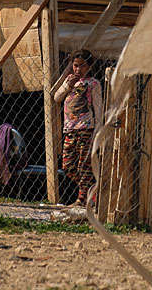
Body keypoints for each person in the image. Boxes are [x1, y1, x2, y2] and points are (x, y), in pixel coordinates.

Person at [54, 49, 103, 206]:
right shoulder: (69, 80)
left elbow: (98, 108)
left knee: (84, 165)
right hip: (70, 129)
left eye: (82, 66)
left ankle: (82, 200)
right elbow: (57, 97)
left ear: (89, 66)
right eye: (75, 66)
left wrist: (98, 131)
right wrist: (68, 85)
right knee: (67, 165)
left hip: (86, 129)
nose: (78, 69)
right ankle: (91, 189)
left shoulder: (93, 84)